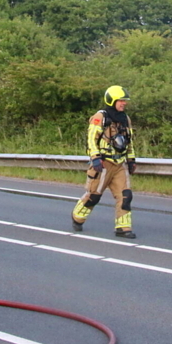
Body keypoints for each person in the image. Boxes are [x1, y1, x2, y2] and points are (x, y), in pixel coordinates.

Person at [71, 86, 137, 238]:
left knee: (126, 195)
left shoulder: (125, 119)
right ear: (112, 101)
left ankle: (123, 228)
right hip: (103, 164)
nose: (124, 103)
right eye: (120, 101)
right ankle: (77, 217)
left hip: (120, 163)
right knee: (94, 195)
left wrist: (131, 159)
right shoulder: (100, 117)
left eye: (124, 101)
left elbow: (129, 141)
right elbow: (91, 139)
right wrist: (95, 158)